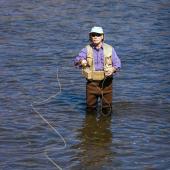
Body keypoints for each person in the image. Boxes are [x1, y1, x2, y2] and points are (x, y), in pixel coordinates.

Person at [74, 26, 121, 115]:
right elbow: (76, 61)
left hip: (107, 83)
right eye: (93, 35)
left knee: (107, 109)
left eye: (98, 35)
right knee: (90, 108)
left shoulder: (110, 49)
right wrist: (81, 61)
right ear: (90, 36)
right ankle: (91, 126)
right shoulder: (86, 49)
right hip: (91, 84)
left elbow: (118, 64)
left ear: (102, 36)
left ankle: (105, 127)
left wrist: (113, 69)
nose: (95, 37)